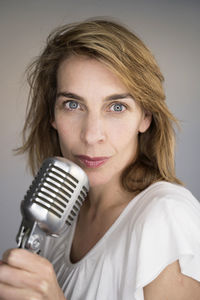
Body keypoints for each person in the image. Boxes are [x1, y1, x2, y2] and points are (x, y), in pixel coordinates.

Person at [0, 18, 200, 300]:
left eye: (116, 107)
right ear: (52, 116)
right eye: (73, 104)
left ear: (145, 117)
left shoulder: (167, 217)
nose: (92, 135)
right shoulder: (57, 218)